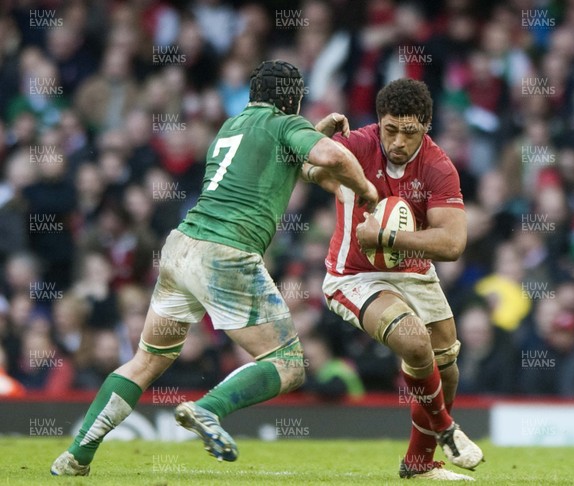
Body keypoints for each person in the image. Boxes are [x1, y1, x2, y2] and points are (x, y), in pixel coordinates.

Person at [51, 60, 378, 476]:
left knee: (146, 360)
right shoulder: (282, 124)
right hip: (227, 253)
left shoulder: (231, 128)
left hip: (180, 249)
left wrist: (311, 133)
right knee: (289, 364)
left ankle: (77, 455)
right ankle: (208, 409)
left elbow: (308, 167)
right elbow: (329, 156)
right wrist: (366, 189)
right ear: (292, 99)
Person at [310, 79, 484, 480]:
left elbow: (454, 242)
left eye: (410, 132)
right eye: (390, 129)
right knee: (412, 339)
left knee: (448, 366)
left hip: (414, 273)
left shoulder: (439, 167)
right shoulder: (358, 144)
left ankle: (419, 465)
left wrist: (386, 236)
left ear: (426, 126)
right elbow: (305, 168)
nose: (398, 142)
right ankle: (447, 429)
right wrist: (313, 138)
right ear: (379, 122)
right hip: (353, 274)